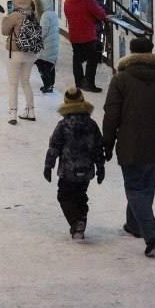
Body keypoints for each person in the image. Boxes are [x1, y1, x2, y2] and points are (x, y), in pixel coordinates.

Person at [103, 35, 155, 258]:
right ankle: (134, 225)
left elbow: (111, 115)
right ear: (151, 51)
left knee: (135, 189)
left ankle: (152, 235)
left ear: (131, 51)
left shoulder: (121, 79)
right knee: (146, 187)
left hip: (129, 143)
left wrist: (107, 143)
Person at [44, 87, 106, 240]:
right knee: (81, 195)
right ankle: (81, 220)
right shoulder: (91, 124)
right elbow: (98, 147)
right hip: (86, 170)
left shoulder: (63, 125)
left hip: (68, 171)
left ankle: (76, 221)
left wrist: (48, 166)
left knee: (64, 196)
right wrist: (100, 167)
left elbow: (54, 147)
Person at [2, 0, 41, 125]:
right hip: (31, 54)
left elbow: (4, 31)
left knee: (13, 83)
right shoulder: (34, 14)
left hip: (16, 53)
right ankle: (30, 111)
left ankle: (13, 113)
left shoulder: (14, 15)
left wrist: (7, 15)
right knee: (26, 81)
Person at [64, 0, 107, 92]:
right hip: (87, 35)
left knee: (77, 59)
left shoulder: (68, 1)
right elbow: (100, 14)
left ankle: (79, 82)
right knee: (92, 60)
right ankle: (89, 84)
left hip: (74, 35)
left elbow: (69, 16)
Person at [34, 0, 61, 94]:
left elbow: (43, 31)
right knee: (50, 66)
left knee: (42, 65)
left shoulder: (45, 15)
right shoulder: (53, 14)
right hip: (53, 46)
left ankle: (47, 85)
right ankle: (50, 85)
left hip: (47, 47)